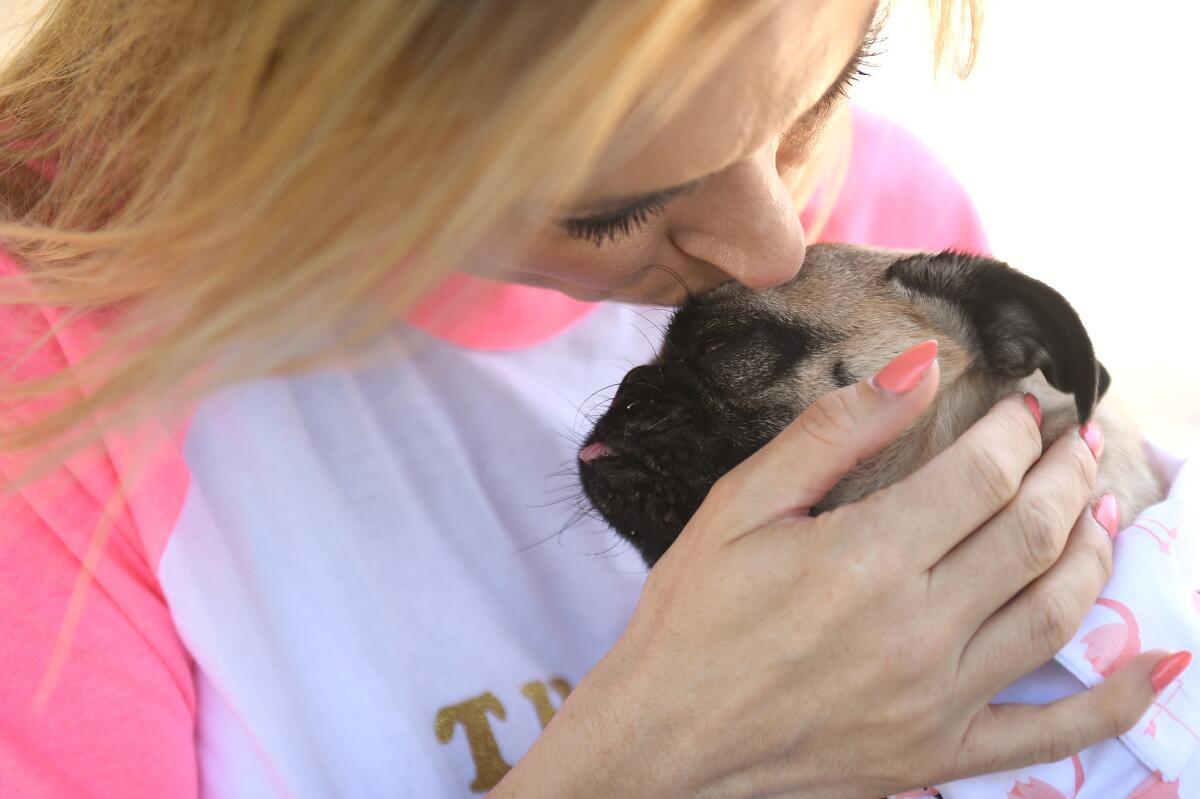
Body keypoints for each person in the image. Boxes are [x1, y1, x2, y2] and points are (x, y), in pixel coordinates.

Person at [0, 1, 1185, 796]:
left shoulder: (897, 247)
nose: (779, 240)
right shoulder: (52, 360)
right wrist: (656, 761)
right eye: (612, 208)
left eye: (825, 86)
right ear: (322, 107)